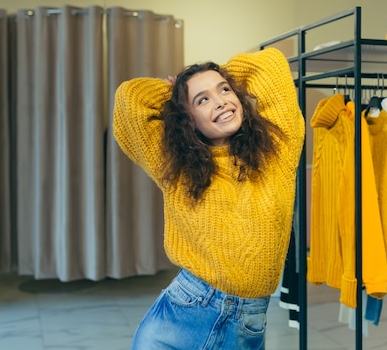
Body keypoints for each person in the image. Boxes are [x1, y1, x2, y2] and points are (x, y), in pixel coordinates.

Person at [112, 47, 305, 350]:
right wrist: (173, 92)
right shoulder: (175, 165)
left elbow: (272, 64)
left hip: (247, 321)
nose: (221, 102)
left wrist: (222, 73)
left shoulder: (277, 151)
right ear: (186, 118)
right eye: (202, 100)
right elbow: (128, 100)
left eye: (225, 90)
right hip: (181, 316)